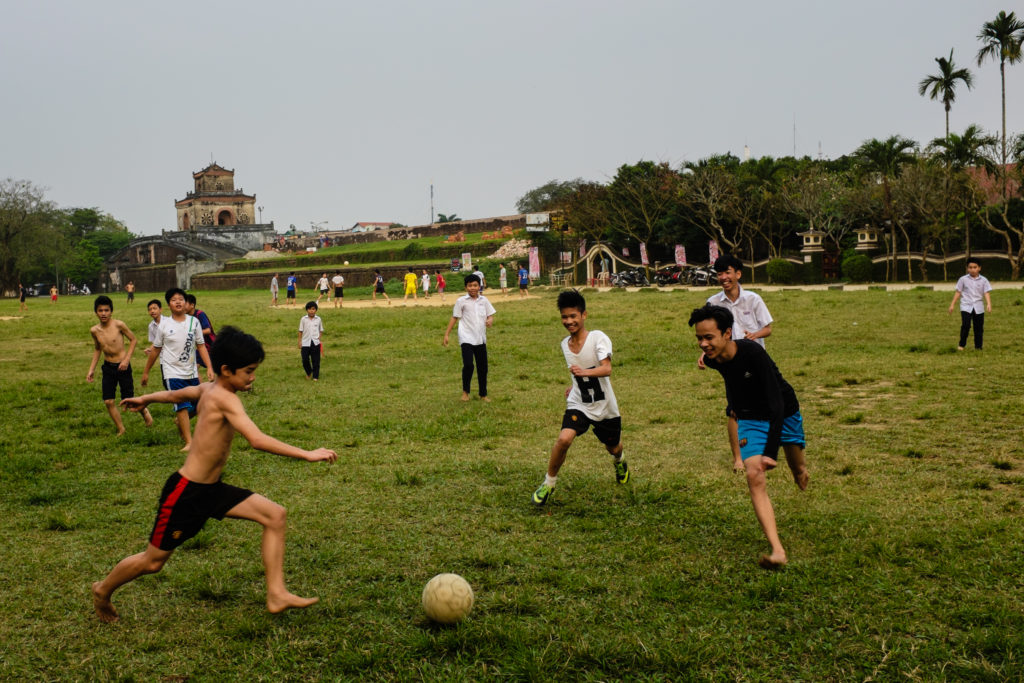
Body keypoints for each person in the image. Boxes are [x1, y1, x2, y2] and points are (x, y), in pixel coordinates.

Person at [92, 326, 338, 623]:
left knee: (275, 515)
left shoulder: (210, 389)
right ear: (226, 370)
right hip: (186, 493)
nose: (252, 377)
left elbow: (177, 394)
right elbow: (256, 440)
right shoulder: (226, 398)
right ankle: (102, 591)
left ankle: (276, 593)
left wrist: (147, 399)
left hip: (211, 490)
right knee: (153, 562)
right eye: (248, 371)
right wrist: (307, 453)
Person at [688, 304, 809, 569]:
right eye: (699, 338)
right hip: (750, 417)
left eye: (709, 338)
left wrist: (770, 452)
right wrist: (735, 408)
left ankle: (799, 470)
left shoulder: (753, 353)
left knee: (798, 468)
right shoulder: (711, 359)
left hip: (783, 410)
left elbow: (776, 401)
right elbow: (730, 380)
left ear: (727, 333)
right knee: (754, 474)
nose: (703, 344)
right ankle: (777, 550)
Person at [532, 290, 629, 505]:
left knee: (613, 446)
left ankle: (619, 460)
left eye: (573, 316)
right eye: (564, 317)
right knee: (564, 439)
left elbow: (606, 369)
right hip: (579, 403)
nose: (569, 321)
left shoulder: (598, 338)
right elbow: (576, 372)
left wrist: (583, 374)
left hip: (605, 406)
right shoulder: (564, 345)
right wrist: (574, 385)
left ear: (584, 315)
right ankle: (548, 484)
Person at [699, 253, 774, 472]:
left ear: (738, 274)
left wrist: (755, 334)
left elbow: (767, 329)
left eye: (727, 272)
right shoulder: (713, 303)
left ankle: (766, 449)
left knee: (767, 403)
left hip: (756, 359)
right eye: (719, 273)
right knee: (734, 409)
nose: (723, 277)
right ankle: (738, 458)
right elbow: (707, 335)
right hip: (730, 362)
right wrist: (704, 353)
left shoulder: (753, 299)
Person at [141, 288, 214, 450]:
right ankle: (189, 441)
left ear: (186, 303)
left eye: (181, 299)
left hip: (191, 371)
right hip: (172, 373)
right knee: (181, 404)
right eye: (174, 300)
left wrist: (209, 367)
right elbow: (156, 350)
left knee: (201, 403)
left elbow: (201, 346)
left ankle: (182, 420)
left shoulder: (193, 322)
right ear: (168, 305)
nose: (178, 302)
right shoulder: (164, 325)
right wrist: (146, 372)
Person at [86, 295, 153, 435]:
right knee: (108, 401)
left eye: (106, 310)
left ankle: (144, 411)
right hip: (108, 367)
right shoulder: (94, 330)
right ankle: (121, 429)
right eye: (100, 310)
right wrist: (91, 369)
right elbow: (98, 348)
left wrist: (126, 360)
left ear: (111, 311)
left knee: (128, 400)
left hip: (123, 367)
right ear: (96, 312)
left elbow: (133, 340)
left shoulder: (119, 325)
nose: (103, 313)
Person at [442, 274, 495, 402]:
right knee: (468, 365)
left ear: (479, 286)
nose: (473, 288)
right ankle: (465, 392)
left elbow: (490, 315)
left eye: (475, 285)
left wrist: (490, 320)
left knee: (483, 367)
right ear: (466, 287)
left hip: (480, 338)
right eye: (470, 285)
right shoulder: (461, 301)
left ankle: (483, 394)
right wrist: (447, 334)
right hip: (466, 338)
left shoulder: (484, 300)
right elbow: (455, 317)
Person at [948, 257, 993, 351]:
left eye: (975, 267)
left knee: (979, 328)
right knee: (966, 325)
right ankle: (961, 345)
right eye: (970, 267)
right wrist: (952, 304)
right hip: (966, 306)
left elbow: (986, 292)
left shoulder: (984, 280)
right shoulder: (963, 279)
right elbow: (958, 292)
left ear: (979, 268)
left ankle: (978, 347)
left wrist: (988, 304)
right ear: (967, 268)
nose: (972, 270)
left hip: (978, 307)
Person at [298, 301, 325, 381]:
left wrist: (319, 339)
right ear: (307, 310)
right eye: (309, 309)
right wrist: (299, 341)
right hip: (305, 342)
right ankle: (309, 372)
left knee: (316, 360)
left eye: (313, 309)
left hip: (315, 342)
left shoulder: (318, 319)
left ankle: (315, 376)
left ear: (316, 310)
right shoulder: (303, 319)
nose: (311, 311)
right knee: (305, 360)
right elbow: (300, 331)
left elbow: (321, 330)